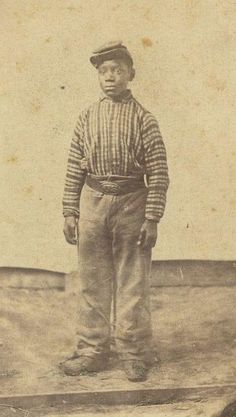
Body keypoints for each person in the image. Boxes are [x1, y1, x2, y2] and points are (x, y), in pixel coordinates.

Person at [61, 41, 169, 382]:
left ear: (130, 74)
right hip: (92, 202)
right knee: (92, 280)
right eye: (104, 71)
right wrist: (69, 211)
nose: (110, 77)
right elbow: (74, 168)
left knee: (132, 282)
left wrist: (152, 218)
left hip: (133, 203)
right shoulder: (87, 117)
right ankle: (92, 350)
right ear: (97, 75)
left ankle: (135, 353)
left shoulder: (145, 119)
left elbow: (159, 173)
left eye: (117, 70)